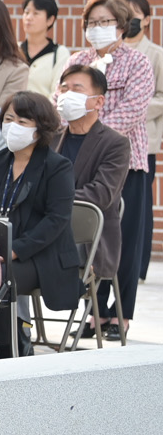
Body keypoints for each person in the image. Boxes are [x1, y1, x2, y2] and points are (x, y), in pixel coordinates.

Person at [66, 0, 154, 339]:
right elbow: (62, 104)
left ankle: (120, 315)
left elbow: (132, 109)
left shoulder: (137, 62)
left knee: (122, 240)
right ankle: (94, 314)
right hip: (78, 159)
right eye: (92, 22)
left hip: (126, 161)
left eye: (105, 22)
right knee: (89, 240)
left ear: (121, 25)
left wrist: (94, 134)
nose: (97, 28)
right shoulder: (78, 61)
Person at [0, 92, 79, 359]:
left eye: (22, 122)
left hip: (42, 255)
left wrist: (16, 250)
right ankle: (13, 337)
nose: (12, 126)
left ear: (41, 128)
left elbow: (56, 220)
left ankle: (9, 347)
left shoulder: (57, 166)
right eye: (8, 119)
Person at [50, 66, 130, 326]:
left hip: (87, 242)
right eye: (64, 88)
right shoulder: (50, 140)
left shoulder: (115, 143)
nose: (67, 94)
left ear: (98, 101)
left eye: (77, 89)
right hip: (45, 234)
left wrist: (52, 200)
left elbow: (101, 193)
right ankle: (17, 333)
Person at [122, 0, 163, 279]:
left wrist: (133, 108)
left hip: (143, 141)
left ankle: (138, 266)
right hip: (112, 142)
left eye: (136, 14)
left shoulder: (156, 54)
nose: (131, 20)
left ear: (147, 19)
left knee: (140, 207)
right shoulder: (114, 53)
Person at [20, 0, 70, 98]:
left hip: (45, 108)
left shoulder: (60, 54)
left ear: (50, 20)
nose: (28, 17)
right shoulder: (13, 49)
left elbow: (58, 92)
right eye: (26, 12)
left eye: (36, 13)